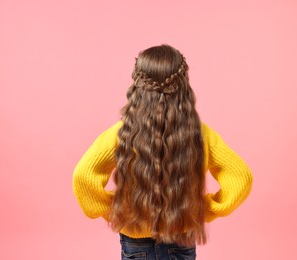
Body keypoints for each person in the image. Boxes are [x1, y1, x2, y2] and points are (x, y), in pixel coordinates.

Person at [72, 44, 253, 260]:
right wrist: (203, 208)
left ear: (137, 86)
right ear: (183, 86)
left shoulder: (121, 134)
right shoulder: (201, 135)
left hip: (135, 240)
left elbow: (83, 176)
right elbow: (241, 176)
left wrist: (117, 209)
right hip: (180, 238)